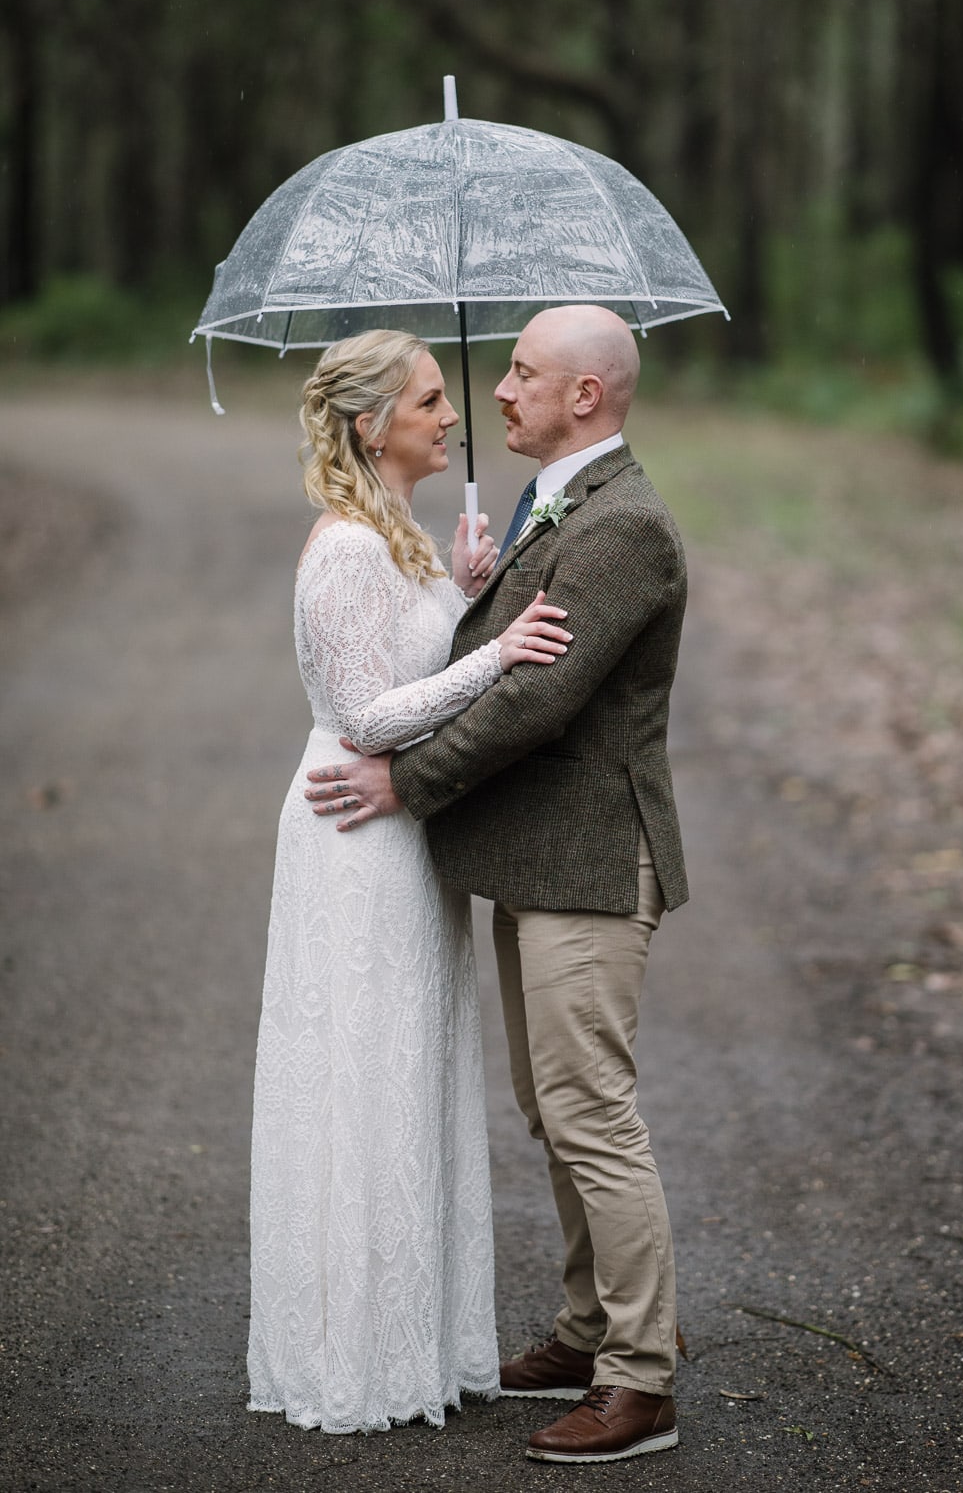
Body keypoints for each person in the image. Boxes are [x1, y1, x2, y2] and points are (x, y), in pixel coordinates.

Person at [304, 304, 688, 1463]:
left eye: (520, 374)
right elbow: (497, 645)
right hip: (536, 854)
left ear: (584, 395)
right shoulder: (553, 503)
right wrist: (468, 589)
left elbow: (536, 699)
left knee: (590, 1115)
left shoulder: (623, 527)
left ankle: (640, 1377)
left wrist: (402, 783)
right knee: (549, 1110)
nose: (496, 394)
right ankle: (583, 1331)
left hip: (585, 859)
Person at [247, 328, 573, 1436]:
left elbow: (411, 663)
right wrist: (501, 649)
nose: (452, 415)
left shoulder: (399, 539)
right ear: (370, 423)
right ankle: (353, 1354)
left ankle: (413, 1338)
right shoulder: (344, 548)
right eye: (431, 400)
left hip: (405, 837)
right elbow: (364, 716)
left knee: (411, 1070)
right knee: (362, 1077)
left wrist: (469, 588)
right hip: (353, 840)